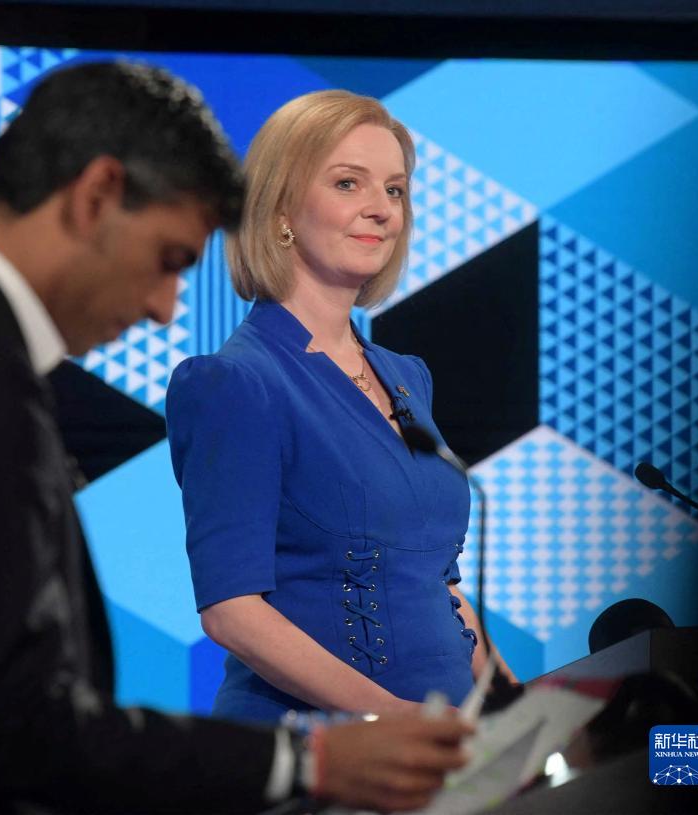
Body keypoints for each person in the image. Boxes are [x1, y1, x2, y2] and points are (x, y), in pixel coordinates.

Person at [0, 63, 473, 814]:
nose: (163, 306)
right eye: (167, 260)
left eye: (395, 189)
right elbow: (21, 725)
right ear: (96, 196)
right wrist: (307, 759)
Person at [166, 89, 517, 725]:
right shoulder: (234, 383)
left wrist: (511, 703)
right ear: (280, 209)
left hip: (442, 745)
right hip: (320, 746)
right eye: (348, 183)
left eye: (395, 190)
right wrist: (396, 721)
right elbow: (232, 613)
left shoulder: (408, 378)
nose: (382, 209)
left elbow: (436, 583)